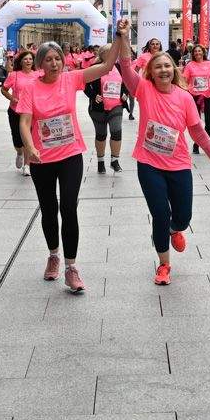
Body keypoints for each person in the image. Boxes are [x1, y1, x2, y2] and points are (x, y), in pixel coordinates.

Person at [117, 37, 210, 285]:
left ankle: (175, 229)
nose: (163, 70)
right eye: (158, 66)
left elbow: (198, 132)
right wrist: (123, 38)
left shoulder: (184, 97)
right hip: (149, 163)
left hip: (179, 164)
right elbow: (126, 68)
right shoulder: (143, 90)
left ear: (174, 70)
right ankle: (164, 265)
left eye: (167, 66)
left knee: (183, 217)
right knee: (160, 214)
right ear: (151, 71)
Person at [17, 28, 127, 295]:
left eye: (57, 58)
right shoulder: (31, 87)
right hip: (41, 158)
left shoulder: (71, 79)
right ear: (40, 64)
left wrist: (119, 37)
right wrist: (30, 148)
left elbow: (107, 65)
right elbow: (24, 121)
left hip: (70, 155)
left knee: (68, 207)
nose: (53, 63)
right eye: (48, 59)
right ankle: (53, 254)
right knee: (48, 208)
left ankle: (71, 267)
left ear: (63, 61)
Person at [85, 48, 124, 176]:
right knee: (101, 135)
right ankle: (101, 162)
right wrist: (93, 95)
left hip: (116, 105)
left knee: (116, 131)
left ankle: (114, 160)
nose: (113, 55)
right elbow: (85, 84)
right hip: (98, 108)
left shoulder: (119, 67)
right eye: (110, 53)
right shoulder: (95, 67)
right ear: (103, 55)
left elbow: (127, 83)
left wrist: (125, 94)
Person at [1, 48, 37, 173]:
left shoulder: (38, 75)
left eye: (30, 59)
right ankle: (19, 153)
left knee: (28, 138)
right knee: (17, 139)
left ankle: (27, 165)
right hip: (15, 110)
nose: (28, 61)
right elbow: (3, 90)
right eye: (25, 59)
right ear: (21, 62)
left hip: (30, 112)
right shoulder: (14, 75)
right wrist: (12, 98)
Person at [182, 44, 210, 152]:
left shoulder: (209, 64)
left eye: (199, 51)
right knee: (196, 123)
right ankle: (197, 143)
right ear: (193, 54)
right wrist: (186, 90)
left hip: (208, 96)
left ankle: (203, 144)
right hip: (194, 97)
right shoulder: (190, 65)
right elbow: (184, 80)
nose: (197, 53)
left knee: (209, 123)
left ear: (203, 52)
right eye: (195, 51)